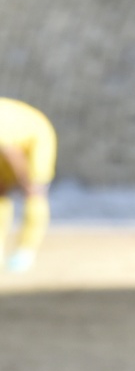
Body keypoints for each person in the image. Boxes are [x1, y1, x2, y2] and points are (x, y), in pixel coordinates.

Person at [0, 97, 57, 274]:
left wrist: (24, 180)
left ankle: (26, 251)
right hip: (6, 147)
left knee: (34, 191)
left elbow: (12, 153)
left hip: (35, 138)